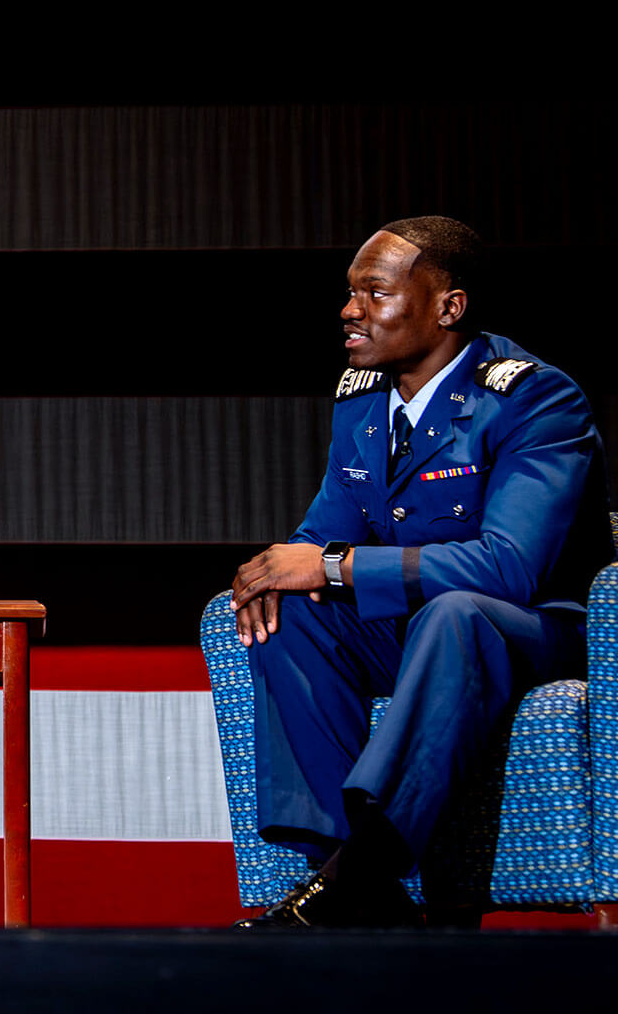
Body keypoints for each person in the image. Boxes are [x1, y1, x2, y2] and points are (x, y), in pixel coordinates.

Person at [228, 216, 615, 927]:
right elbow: (325, 532)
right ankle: (359, 883)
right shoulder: (363, 401)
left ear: (448, 306)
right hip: (426, 634)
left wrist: (334, 564)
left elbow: (511, 565)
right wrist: (275, 572)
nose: (350, 310)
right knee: (294, 617)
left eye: (374, 292)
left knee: (458, 609)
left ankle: (362, 867)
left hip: (537, 633)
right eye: (350, 293)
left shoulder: (533, 397)